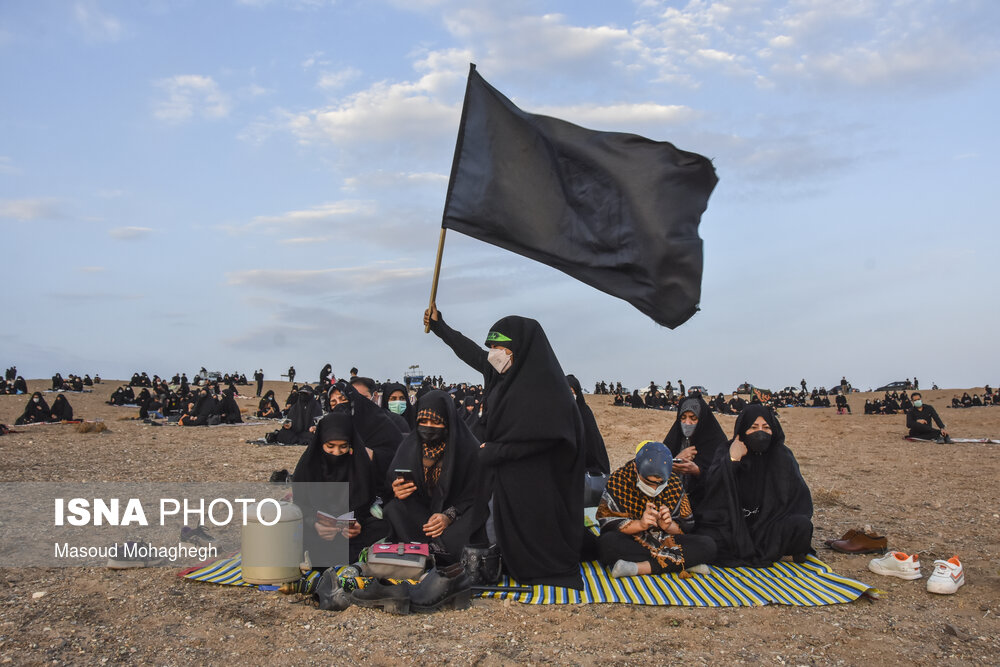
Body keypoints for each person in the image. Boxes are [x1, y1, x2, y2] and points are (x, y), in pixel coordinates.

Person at [425, 304, 585, 589]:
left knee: (517, 540)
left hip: (535, 481)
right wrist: (441, 327)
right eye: (491, 346)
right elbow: (471, 353)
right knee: (458, 543)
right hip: (498, 475)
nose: (493, 352)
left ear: (520, 347)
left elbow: (547, 438)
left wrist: (497, 451)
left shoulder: (547, 388)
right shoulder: (502, 376)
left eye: (499, 345)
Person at [695, 405, 814, 567]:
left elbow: (799, 500)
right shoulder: (726, 450)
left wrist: (771, 517)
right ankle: (774, 553)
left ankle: (770, 549)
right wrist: (732, 460)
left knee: (802, 525)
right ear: (742, 429)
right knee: (706, 536)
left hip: (769, 525)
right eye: (753, 427)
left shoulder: (782, 456)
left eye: (766, 427)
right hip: (733, 523)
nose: (760, 433)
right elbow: (713, 490)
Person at [384, 390, 488, 564]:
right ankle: (427, 549)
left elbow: (478, 492)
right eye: (423, 421)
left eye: (436, 422)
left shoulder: (468, 448)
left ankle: (431, 550)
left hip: (456, 517)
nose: (428, 427)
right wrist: (397, 489)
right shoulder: (409, 447)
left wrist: (449, 515)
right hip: (423, 516)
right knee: (394, 509)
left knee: (477, 520)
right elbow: (389, 485)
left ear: (448, 422)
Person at [597, 441, 716, 577]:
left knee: (708, 545)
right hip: (633, 540)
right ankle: (684, 562)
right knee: (607, 544)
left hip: (666, 540)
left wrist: (669, 526)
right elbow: (608, 522)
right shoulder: (620, 480)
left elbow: (685, 527)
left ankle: (639, 568)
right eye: (648, 482)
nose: (654, 489)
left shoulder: (673, 482)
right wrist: (640, 524)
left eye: (660, 483)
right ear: (636, 468)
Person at [293, 408, 390, 565]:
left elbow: (367, 502)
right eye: (330, 446)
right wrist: (315, 523)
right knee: (288, 529)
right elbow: (300, 504)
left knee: (383, 526)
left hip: (351, 532)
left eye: (343, 446)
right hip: (317, 530)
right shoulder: (308, 466)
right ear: (320, 443)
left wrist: (358, 523)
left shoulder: (360, 464)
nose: (336, 452)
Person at [661, 395, 728, 509]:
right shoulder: (674, 439)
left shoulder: (716, 442)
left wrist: (698, 471)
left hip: (707, 506)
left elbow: (723, 479)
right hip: (671, 505)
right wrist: (673, 462)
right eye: (683, 417)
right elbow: (654, 469)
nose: (687, 423)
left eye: (693, 418)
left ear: (702, 419)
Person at [566, 374, 610, 477]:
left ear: (577, 393)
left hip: (586, 468)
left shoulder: (584, 413)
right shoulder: (559, 413)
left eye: (572, 392)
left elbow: (592, 446)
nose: (568, 396)